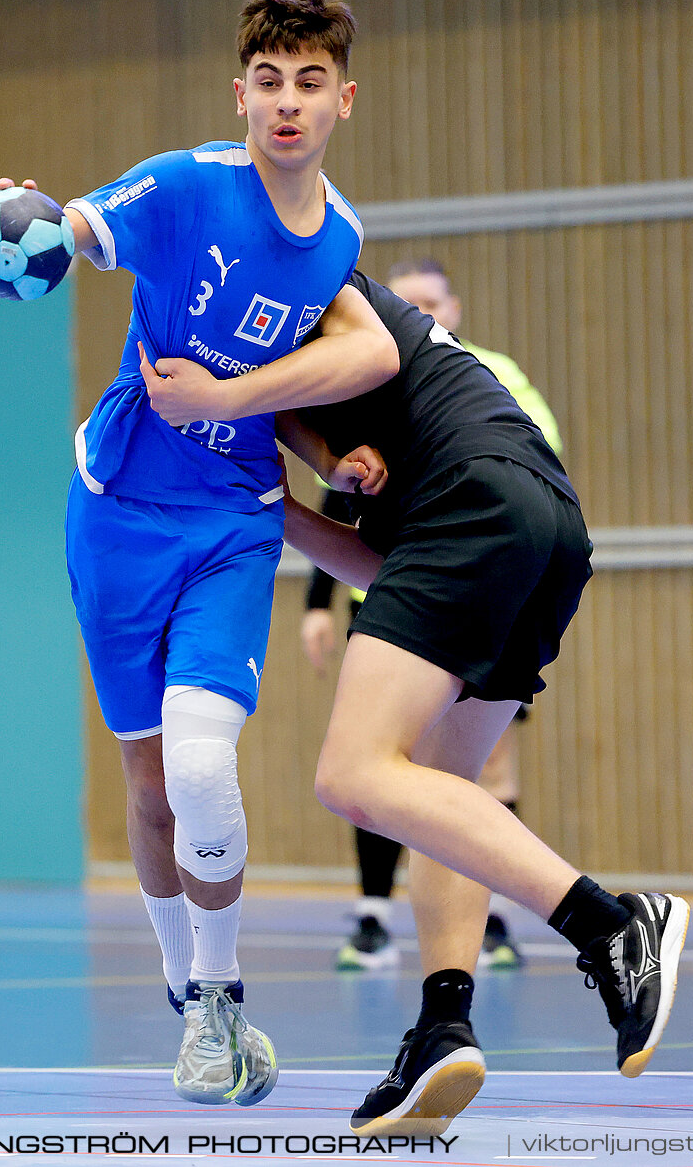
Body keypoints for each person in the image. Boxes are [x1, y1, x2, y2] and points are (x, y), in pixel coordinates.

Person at [0, 0, 397, 1107]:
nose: (288, 104)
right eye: (269, 83)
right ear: (240, 95)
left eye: (311, 83)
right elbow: (77, 226)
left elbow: (284, 383)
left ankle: (220, 1004)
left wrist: (321, 460)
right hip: (113, 511)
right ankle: (184, 993)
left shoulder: (341, 240)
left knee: (206, 764)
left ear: (344, 100)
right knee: (153, 787)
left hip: (232, 524)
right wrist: (28, 214)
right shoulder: (181, 184)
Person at [278, 270, 689, 1136]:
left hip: (468, 508)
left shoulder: (303, 290)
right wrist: (281, 508)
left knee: (351, 773)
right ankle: (443, 1023)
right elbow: (380, 569)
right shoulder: (387, 393)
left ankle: (612, 923)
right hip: (542, 526)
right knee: (441, 790)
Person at [306, 258, 565, 973]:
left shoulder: (471, 371)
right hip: (425, 566)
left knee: (359, 772)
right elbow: (341, 494)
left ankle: (599, 916)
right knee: (425, 780)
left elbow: (534, 450)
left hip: (467, 548)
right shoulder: (360, 389)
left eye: (430, 297)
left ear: (452, 305)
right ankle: (441, 1007)